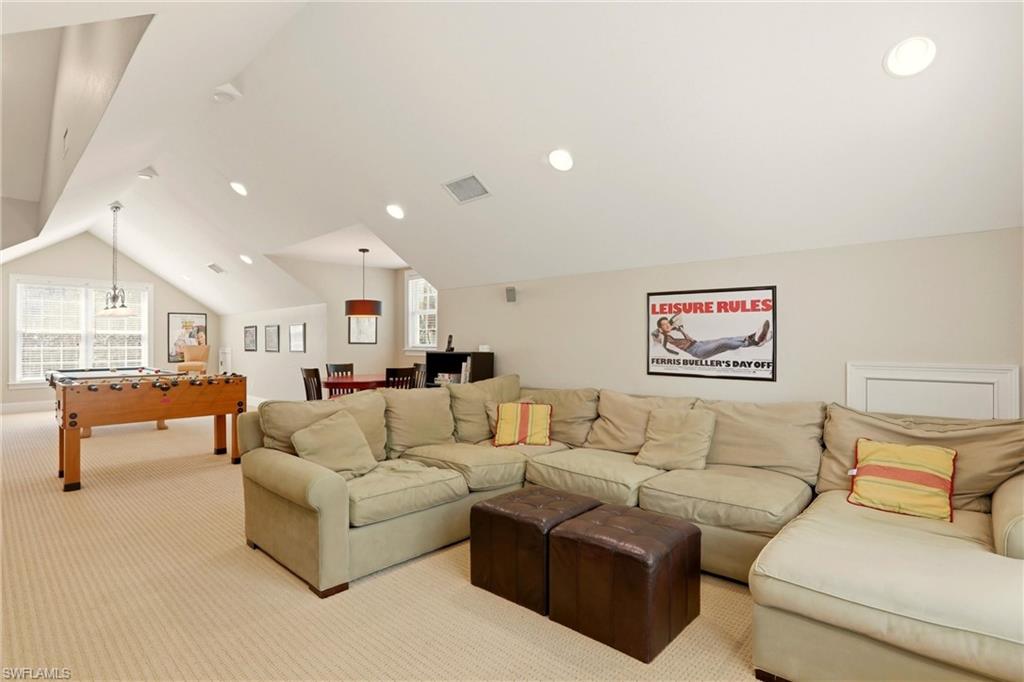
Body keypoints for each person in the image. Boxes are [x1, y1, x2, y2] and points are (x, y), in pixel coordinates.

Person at [652, 316, 771, 360]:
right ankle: (754, 340)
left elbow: (679, 315)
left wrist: (672, 323)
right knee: (723, 342)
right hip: (697, 351)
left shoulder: (676, 328)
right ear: (661, 329)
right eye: (664, 324)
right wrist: (662, 331)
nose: (667, 324)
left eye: (667, 322)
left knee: (726, 339)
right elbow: (654, 335)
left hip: (700, 343)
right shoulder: (666, 338)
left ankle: (755, 339)